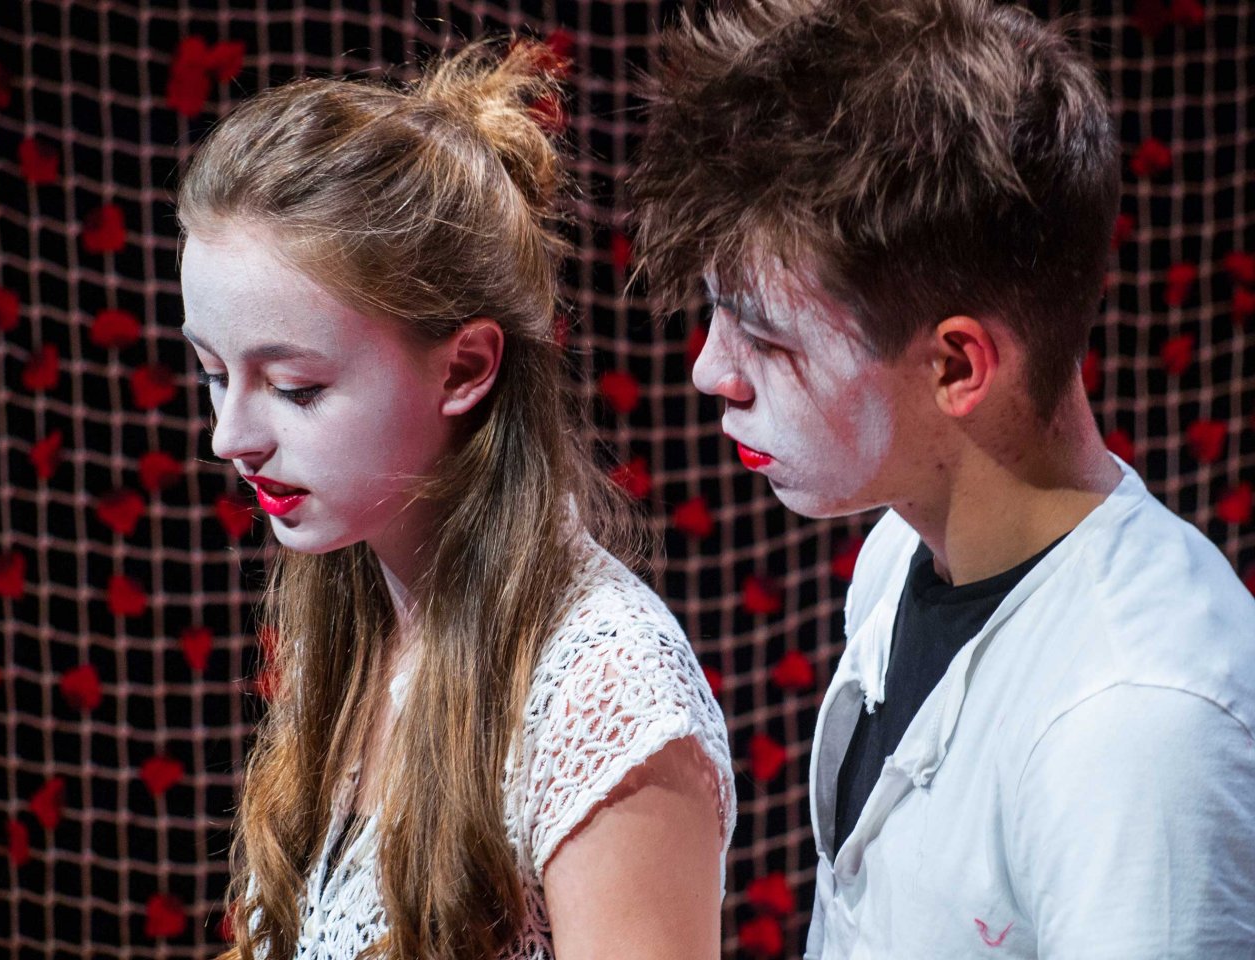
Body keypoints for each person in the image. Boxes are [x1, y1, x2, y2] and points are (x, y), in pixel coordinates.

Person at [630, 0, 1255, 956]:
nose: (712, 370)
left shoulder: (1138, 726)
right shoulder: (901, 548)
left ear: (958, 366)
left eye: (764, 336)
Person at [176, 40, 734, 960]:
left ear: (465, 367)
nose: (229, 437)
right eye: (211, 372)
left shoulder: (605, 695)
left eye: (296, 388)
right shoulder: (351, 615)